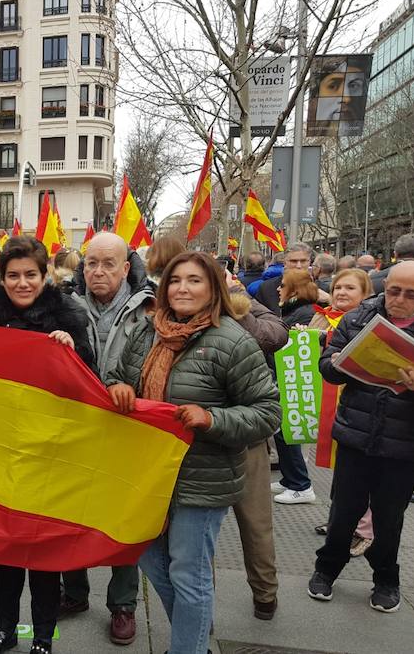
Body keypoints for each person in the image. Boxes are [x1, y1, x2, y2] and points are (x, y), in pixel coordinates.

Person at [106, 251, 280, 654]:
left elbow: (268, 413)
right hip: (147, 475)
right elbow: (117, 377)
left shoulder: (233, 340)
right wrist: (119, 388)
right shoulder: (147, 333)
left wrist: (213, 419)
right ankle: (196, 632)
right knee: (150, 560)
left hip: (202, 478)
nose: (183, 288)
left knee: (189, 574)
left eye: (194, 280)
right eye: (175, 280)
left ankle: (188, 647)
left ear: (213, 289)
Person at [0, 236, 94, 654]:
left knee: (43, 553)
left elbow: (90, 384)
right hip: (4, 449)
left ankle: (42, 635)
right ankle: (4, 629)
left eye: (30, 274)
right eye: (13, 275)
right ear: (2, 278)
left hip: (52, 452)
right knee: (5, 548)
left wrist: (71, 352)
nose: (22, 282)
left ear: (45, 276)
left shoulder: (69, 316)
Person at [60, 232, 155, 645]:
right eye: (91, 263)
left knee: (121, 519)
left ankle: (123, 605)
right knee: (70, 513)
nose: (98, 271)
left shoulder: (150, 309)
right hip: (75, 429)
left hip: (125, 430)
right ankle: (74, 592)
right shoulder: (63, 305)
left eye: (108, 264)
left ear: (126, 268)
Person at [308, 261, 414, 613]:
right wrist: (336, 362)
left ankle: (386, 579)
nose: (399, 299)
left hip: (403, 445)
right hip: (355, 435)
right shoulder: (358, 318)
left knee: (389, 518)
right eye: (394, 290)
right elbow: (326, 365)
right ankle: (326, 569)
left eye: (410, 294)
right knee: (343, 512)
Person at [226, 279, 289, 620]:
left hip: (247, 439)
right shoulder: (173, 313)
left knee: (256, 523)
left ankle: (265, 594)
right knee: (199, 532)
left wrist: (236, 304)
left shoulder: (241, 305)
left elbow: (275, 335)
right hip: (198, 442)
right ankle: (198, 605)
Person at [307, 269, 374, 554]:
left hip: (363, 411)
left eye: (349, 288)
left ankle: (364, 530)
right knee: (343, 472)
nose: (341, 293)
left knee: (367, 477)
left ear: (366, 294)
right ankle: (339, 521)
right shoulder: (326, 316)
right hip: (338, 404)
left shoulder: (372, 324)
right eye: (337, 288)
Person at [271, 268, 320, 505]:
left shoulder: (303, 313)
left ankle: (301, 484)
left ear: (294, 289)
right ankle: (290, 480)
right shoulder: (297, 310)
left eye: (283, 285)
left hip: (294, 381)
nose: (278, 288)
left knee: (288, 432)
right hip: (288, 378)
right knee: (283, 432)